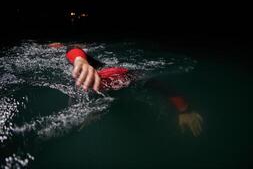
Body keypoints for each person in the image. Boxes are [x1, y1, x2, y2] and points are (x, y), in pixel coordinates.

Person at [50, 43, 203, 137]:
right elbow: (73, 48)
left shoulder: (125, 78)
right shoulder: (87, 71)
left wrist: (185, 111)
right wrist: (80, 60)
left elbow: (161, 86)